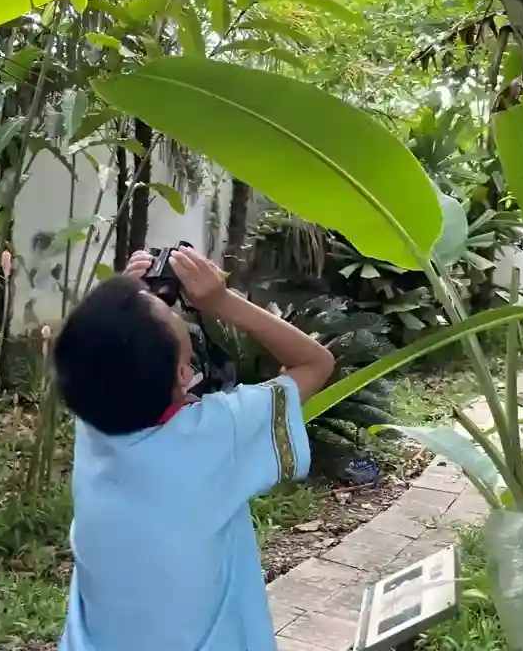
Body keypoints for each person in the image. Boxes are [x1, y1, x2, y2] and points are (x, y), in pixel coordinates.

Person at [53, 246, 335, 651]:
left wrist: (119, 306)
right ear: (186, 373)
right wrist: (222, 302)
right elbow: (315, 363)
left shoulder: (93, 425)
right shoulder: (220, 432)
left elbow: (99, 356)